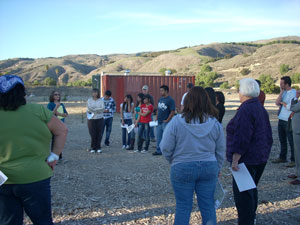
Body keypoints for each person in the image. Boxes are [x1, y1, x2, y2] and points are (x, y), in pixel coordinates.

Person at [0, 75, 68, 225]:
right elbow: (62, 130)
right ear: (22, 92)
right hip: (36, 177)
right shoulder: (37, 110)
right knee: (42, 221)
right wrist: (53, 157)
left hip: (3, 179)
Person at [160, 86, 225, 225]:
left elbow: (165, 147)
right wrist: (218, 168)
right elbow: (220, 151)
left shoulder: (177, 122)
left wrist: (173, 160)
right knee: (208, 206)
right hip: (209, 167)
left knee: (183, 207)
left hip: (182, 166)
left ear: (187, 101)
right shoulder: (215, 123)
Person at [226, 78, 273, 225]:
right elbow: (268, 135)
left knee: (244, 197)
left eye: (239, 90)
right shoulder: (259, 107)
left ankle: (246, 221)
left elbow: (242, 136)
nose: (238, 93)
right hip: (259, 157)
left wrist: (235, 159)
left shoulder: (246, 109)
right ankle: (251, 219)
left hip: (247, 160)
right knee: (251, 192)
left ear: (244, 92)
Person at [272, 76, 296, 167]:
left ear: (287, 84)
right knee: (282, 139)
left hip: (288, 119)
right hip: (281, 118)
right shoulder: (284, 92)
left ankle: (293, 159)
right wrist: (281, 92)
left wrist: (284, 103)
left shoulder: (293, 93)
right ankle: (283, 157)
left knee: (291, 140)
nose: (280, 85)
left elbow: (291, 106)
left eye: (282, 83)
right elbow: (277, 103)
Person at [153, 85, 175, 156]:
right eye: (160, 90)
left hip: (166, 122)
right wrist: (156, 117)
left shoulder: (170, 100)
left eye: (162, 90)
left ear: (166, 91)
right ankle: (158, 150)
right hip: (159, 121)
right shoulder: (160, 99)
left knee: (167, 137)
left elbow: (172, 111)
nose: (160, 92)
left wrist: (168, 120)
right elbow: (158, 110)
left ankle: (168, 151)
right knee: (158, 137)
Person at [47, 90, 68, 160]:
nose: (57, 96)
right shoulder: (50, 104)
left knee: (60, 140)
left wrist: (59, 114)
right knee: (54, 140)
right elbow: (49, 114)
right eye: (55, 95)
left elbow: (66, 114)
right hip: (53, 125)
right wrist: (56, 107)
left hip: (61, 124)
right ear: (52, 96)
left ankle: (59, 156)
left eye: (58, 95)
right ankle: (53, 156)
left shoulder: (61, 104)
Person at [87, 88, 105, 153]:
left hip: (100, 118)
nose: (94, 94)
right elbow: (89, 108)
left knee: (99, 133)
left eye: (96, 92)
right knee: (93, 133)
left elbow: (102, 108)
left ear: (98, 93)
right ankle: (93, 147)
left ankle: (98, 147)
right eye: (93, 92)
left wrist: (95, 110)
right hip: (91, 119)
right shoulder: (89, 100)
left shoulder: (101, 100)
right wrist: (97, 110)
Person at [289, 90, 300, 185]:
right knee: (297, 153)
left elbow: (293, 108)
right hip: (297, 129)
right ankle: (297, 172)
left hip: (299, 130)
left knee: (299, 153)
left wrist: (296, 98)